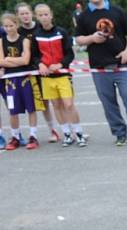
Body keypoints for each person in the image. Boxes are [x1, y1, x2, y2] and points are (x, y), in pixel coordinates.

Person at [75, 0, 127, 146]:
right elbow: (78, 39)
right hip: (99, 68)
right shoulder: (83, 16)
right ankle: (119, 134)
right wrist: (91, 38)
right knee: (108, 102)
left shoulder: (117, 11)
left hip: (121, 64)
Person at [34, 3, 87, 147]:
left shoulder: (61, 32)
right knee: (56, 105)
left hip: (63, 75)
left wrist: (61, 64)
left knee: (69, 105)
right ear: (37, 17)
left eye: (46, 14)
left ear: (51, 15)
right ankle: (67, 134)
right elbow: (35, 56)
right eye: (40, 15)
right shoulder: (36, 35)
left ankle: (79, 133)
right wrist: (40, 64)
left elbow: (70, 53)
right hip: (47, 78)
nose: (44, 17)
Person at [16, 2, 58, 144]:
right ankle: (52, 130)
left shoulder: (41, 25)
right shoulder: (18, 31)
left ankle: (69, 129)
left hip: (48, 68)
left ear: (32, 14)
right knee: (43, 102)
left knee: (59, 101)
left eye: (27, 13)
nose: (25, 16)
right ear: (18, 16)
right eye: (22, 14)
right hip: (30, 71)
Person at [1, 12, 40, 150]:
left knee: (31, 108)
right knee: (13, 110)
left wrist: (9, 59)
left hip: (25, 79)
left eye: (11, 25)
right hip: (10, 81)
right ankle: (15, 136)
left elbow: (26, 60)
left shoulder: (24, 40)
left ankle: (33, 135)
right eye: (5, 26)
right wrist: (10, 62)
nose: (8, 28)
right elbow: (1, 61)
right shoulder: (1, 41)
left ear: (16, 25)